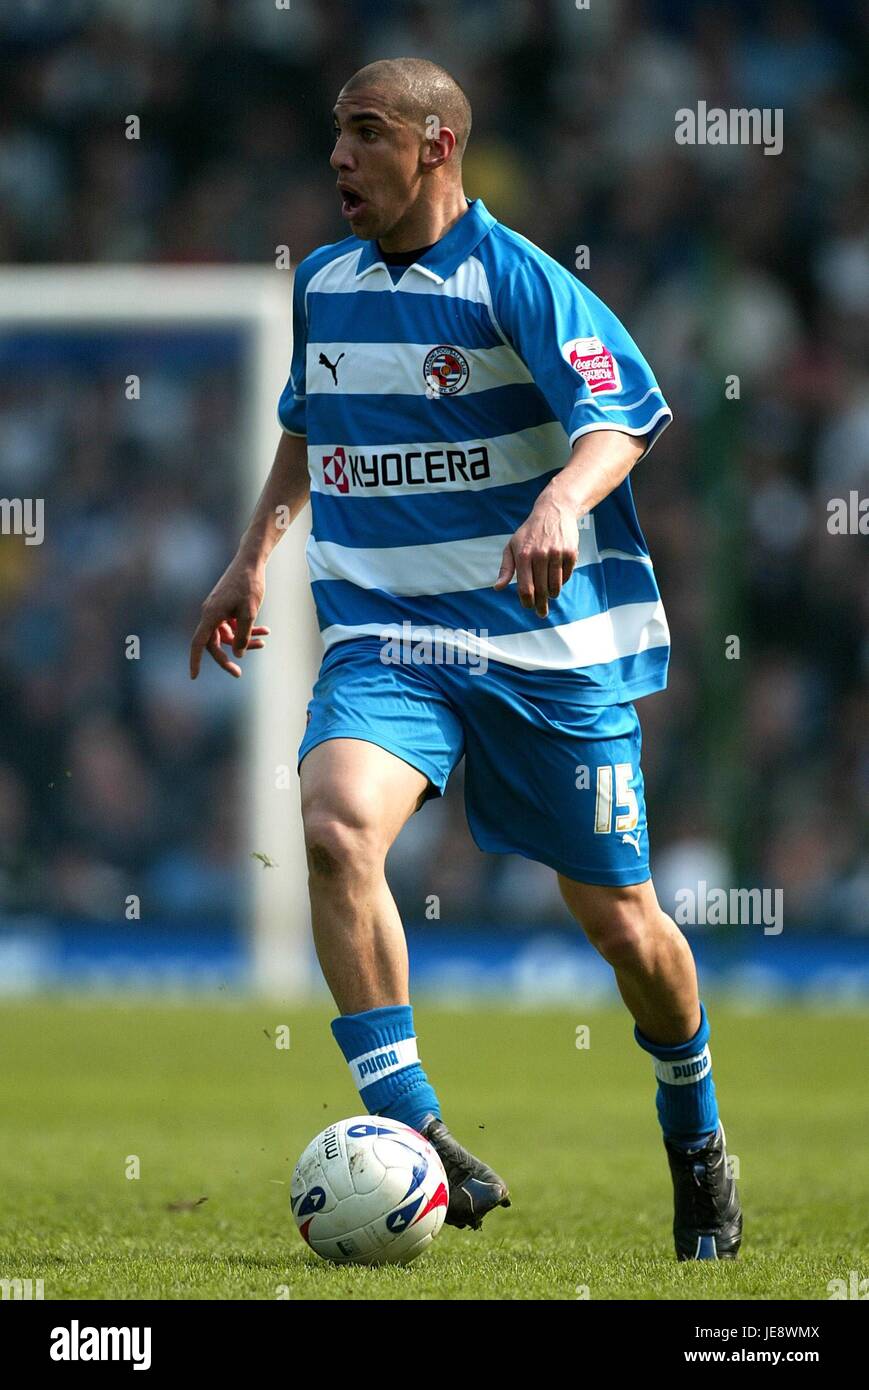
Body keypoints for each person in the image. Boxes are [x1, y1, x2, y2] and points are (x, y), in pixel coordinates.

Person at [190, 57, 742, 1260]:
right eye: (334, 134)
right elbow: (306, 424)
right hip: (388, 635)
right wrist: (251, 556)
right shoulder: (324, 284)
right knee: (335, 823)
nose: (338, 158)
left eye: (365, 134)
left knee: (622, 924)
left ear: (435, 148)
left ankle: (694, 1130)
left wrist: (557, 504)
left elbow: (623, 416)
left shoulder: (516, 280)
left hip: (541, 651)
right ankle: (416, 1132)